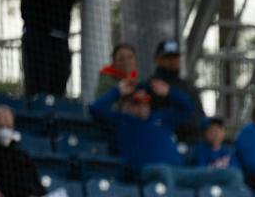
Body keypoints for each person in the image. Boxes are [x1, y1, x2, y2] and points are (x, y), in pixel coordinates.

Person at [92, 79, 237, 189]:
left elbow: (187, 107)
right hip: (147, 172)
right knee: (163, 172)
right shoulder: (120, 121)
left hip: (180, 172)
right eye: (137, 101)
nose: (143, 104)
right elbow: (96, 109)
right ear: (126, 104)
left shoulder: (161, 118)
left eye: (146, 100)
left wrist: (168, 92)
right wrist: (118, 91)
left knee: (231, 175)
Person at [0, 106, 44, 197]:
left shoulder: (22, 156)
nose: (5, 130)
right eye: (0, 126)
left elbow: (38, 187)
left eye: (8, 127)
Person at [146, 38, 205, 141]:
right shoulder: (148, 86)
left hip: (189, 142)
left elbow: (199, 118)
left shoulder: (187, 86)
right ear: (157, 59)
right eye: (167, 57)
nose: (172, 61)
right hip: (158, 142)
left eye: (175, 57)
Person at [190, 115, 238, 180]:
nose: (216, 134)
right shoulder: (199, 151)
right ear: (204, 133)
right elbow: (200, 175)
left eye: (219, 129)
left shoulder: (229, 150)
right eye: (212, 130)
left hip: (227, 185)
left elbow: (236, 172)